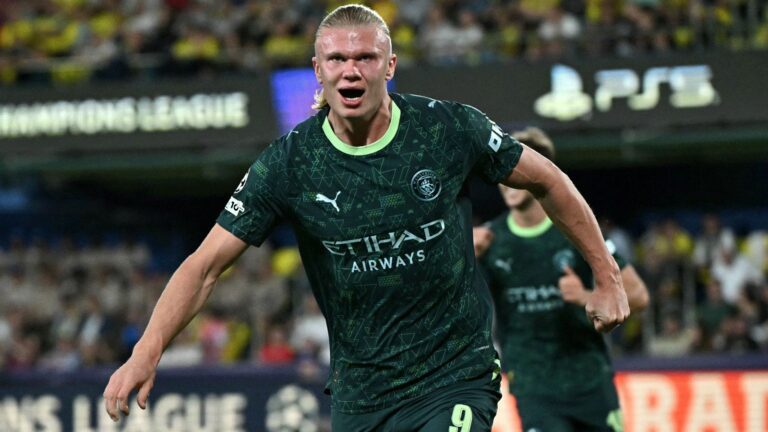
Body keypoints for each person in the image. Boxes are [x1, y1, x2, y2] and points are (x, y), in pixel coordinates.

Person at [103, 5, 629, 431]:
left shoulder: (445, 129)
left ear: (390, 66)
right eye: (336, 58)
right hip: (361, 396)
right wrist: (147, 351)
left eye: (365, 57)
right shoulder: (290, 164)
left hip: (455, 376)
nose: (350, 70)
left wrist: (606, 275)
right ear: (318, 69)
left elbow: (547, 179)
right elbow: (205, 266)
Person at [473, 127, 648, 432]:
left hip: (590, 381)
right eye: (501, 170)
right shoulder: (487, 240)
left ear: (539, 173)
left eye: (514, 168)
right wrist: (464, 255)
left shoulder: (577, 231)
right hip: (533, 387)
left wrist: (585, 296)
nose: (506, 180)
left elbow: (638, 295)